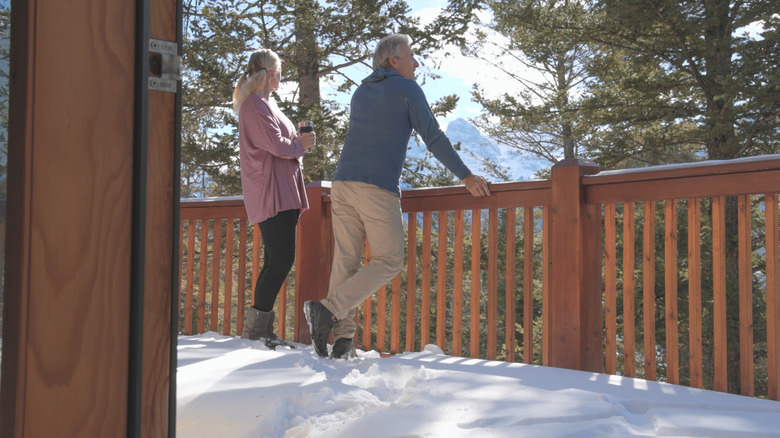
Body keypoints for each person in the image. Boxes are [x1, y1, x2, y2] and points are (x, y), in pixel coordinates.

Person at [304, 34, 491, 359]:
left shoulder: (362, 92)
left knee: (345, 262)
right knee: (388, 261)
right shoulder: (406, 89)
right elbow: (432, 136)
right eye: (411, 56)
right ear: (393, 61)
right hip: (375, 187)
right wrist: (466, 176)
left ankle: (343, 341)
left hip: (342, 185)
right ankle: (327, 309)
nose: (415, 62)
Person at [233, 48, 316, 349]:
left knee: (275, 260)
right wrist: (300, 144)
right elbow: (275, 145)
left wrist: (299, 143)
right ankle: (256, 331)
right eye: (279, 72)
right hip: (271, 192)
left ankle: (260, 331)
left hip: (282, 192)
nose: (280, 77)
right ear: (269, 74)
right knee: (281, 259)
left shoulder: (265, 104)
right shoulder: (254, 104)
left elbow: (283, 144)